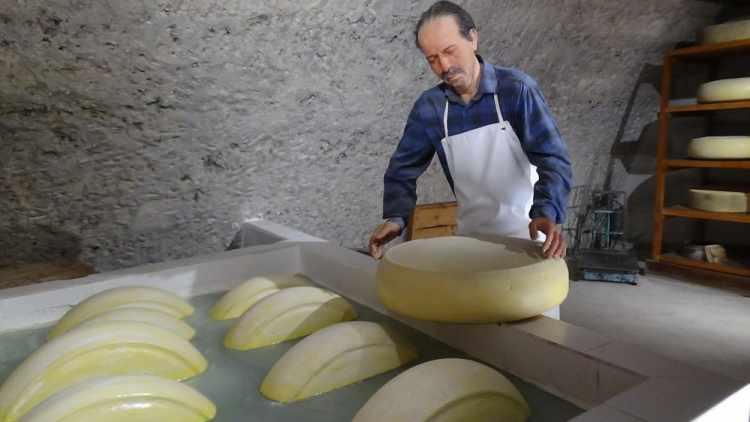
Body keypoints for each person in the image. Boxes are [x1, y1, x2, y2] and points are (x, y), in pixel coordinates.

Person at [369, 1, 572, 260]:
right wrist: (397, 218)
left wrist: (547, 213)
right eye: (432, 59)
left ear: (473, 38)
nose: (444, 66)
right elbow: (402, 169)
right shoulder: (430, 107)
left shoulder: (517, 90)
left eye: (450, 51)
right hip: (471, 240)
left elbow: (554, 160)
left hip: (530, 237)